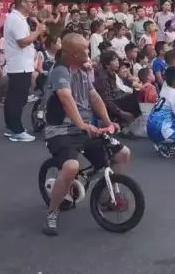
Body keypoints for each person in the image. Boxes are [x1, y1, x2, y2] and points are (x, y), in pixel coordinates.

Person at [41, 33, 129, 236]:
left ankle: (108, 196)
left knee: (122, 154)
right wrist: (81, 124)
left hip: (85, 129)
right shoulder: (60, 71)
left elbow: (94, 97)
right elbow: (65, 98)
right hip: (61, 131)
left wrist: (108, 121)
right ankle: (52, 213)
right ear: (73, 54)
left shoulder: (83, 71)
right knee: (71, 167)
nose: (89, 53)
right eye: (85, 50)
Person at [3, 0, 45, 142]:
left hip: (20, 64)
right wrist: (38, 31)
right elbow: (22, 42)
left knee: (14, 97)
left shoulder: (18, 18)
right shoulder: (16, 19)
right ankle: (17, 130)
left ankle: (11, 126)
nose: (32, 4)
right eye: (30, 2)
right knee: (18, 98)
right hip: (19, 65)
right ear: (22, 3)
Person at [94, 50, 138, 127]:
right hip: (106, 107)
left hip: (114, 102)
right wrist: (121, 112)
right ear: (107, 64)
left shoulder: (113, 74)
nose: (117, 62)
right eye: (114, 60)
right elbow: (107, 99)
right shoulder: (103, 77)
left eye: (117, 60)